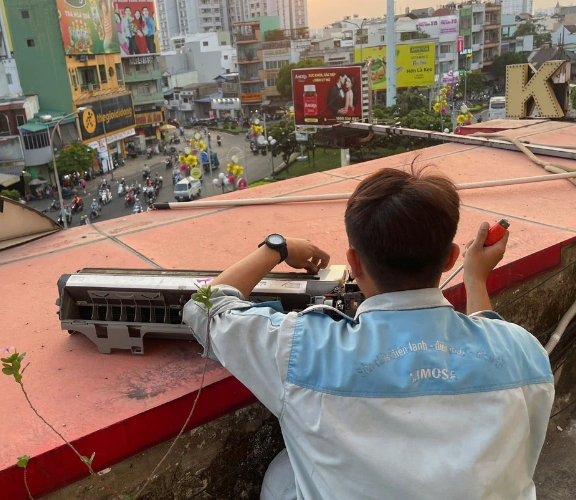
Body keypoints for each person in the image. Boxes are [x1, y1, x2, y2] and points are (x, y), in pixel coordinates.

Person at [182, 168, 554, 500]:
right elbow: (489, 332)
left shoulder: (305, 351)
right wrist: (475, 279)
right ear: (450, 257)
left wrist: (277, 248)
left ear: (354, 262)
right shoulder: (526, 353)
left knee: (283, 472)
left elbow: (205, 307)